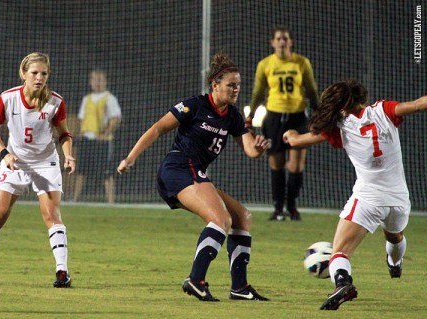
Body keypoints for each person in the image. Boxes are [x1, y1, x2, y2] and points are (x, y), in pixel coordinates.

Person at [117, 52, 270, 302]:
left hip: (193, 172)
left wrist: (260, 148)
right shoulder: (195, 105)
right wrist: (130, 158)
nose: (236, 90)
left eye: (239, 85)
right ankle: (196, 280)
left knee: (242, 217)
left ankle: (239, 288)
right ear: (215, 85)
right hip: (178, 168)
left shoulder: (232, 116)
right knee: (220, 219)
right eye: (231, 85)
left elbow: (251, 150)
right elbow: (157, 128)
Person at [283, 79, 427, 310]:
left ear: (342, 105)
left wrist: (290, 135)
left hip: (368, 199)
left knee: (339, 252)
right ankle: (395, 261)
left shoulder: (341, 125)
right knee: (395, 236)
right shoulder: (383, 110)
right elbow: (419, 104)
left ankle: (343, 283)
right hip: (400, 200)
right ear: (364, 99)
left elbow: (299, 141)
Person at [0, 52, 76, 288]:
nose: (39, 77)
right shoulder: (8, 98)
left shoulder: (56, 101)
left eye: (44, 73)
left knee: (51, 215)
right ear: (23, 73)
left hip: (45, 163)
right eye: (34, 73)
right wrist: (5, 154)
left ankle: (62, 272)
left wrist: (68, 155)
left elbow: (64, 134)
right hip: (15, 163)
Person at [248, 25, 319, 221]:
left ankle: (292, 206)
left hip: (297, 117)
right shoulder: (265, 64)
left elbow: (311, 90)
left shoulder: (301, 63)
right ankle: (278, 208)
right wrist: (250, 115)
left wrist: (320, 113)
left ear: (291, 42)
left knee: (296, 165)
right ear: (272, 42)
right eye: (278, 38)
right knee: (276, 164)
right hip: (274, 117)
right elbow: (258, 92)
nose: (281, 41)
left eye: (285, 38)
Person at [73, 69, 121, 203]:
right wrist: (81, 133)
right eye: (94, 79)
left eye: (100, 79)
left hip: (102, 141)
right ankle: (75, 201)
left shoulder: (109, 98)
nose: (97, 82)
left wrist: (105, 134)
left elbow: (116, 118)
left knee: (107, 173)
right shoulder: (86, 99)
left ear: (105, 81)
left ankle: (111, 203)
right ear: (90, 82)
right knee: (81, 171)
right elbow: (82, 119)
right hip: (87, 140)